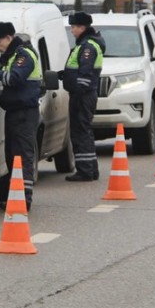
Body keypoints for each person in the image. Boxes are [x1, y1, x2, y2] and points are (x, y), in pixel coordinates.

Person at [0, 21, 41, 210]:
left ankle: (24, 199)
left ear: (9, 37)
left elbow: (13, 78)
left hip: (25, 113)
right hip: (15, 112)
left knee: (22, 156)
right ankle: (15, 196)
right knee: (12, 156)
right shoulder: (12, 55)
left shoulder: (24, 55)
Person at [61, 11, 105, 182]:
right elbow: (77, 69)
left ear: (82, 27)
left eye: (73, 27)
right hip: (83, 94)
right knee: (84, 130)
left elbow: (85, 74)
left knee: (80, 131)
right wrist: (64, 75)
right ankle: (91, 169)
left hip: (82, 95)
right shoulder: (85, 44)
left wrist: (77, 89)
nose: (72, 30)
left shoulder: (88, 46)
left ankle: (85, 171)